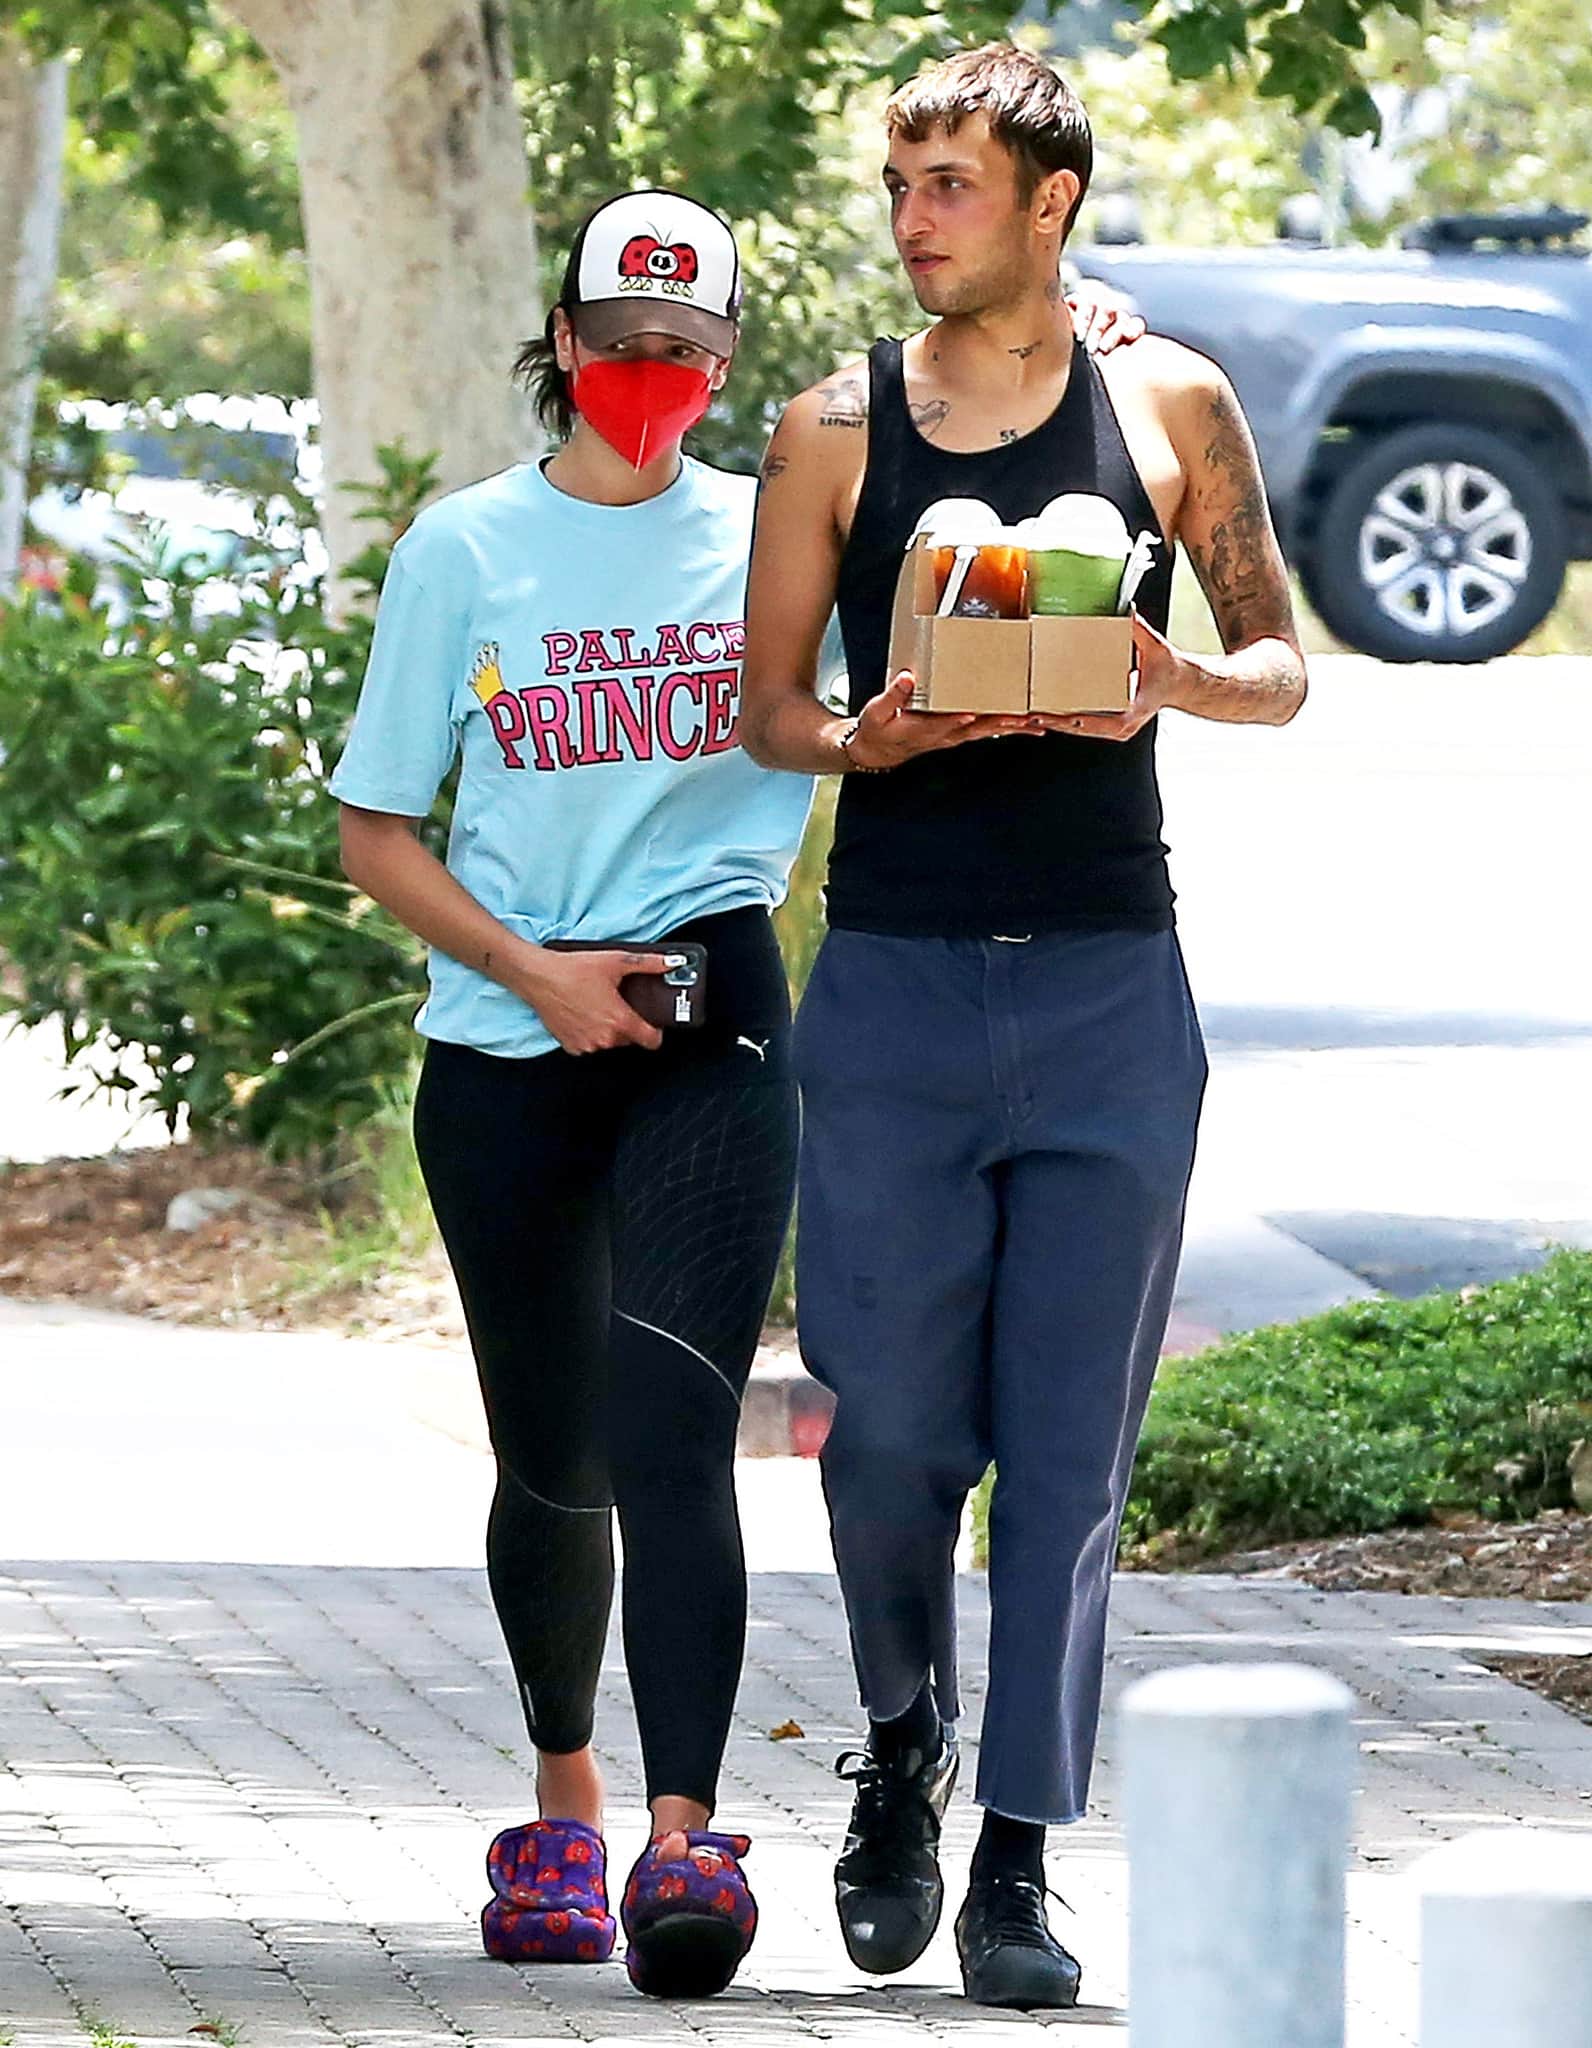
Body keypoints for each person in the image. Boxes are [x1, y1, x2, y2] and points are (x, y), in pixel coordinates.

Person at [740, 42, 1307, 2014]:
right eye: (897, 186)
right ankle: (904, 1746)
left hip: (1103, 993)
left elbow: (1279, 665)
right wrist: (865, 736)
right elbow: (770, 713)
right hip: (889, 987)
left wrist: (1159, 676)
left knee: (1071, 1456)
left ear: (1051, 203)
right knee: (882, 1431)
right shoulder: (827, 430)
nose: (910, 222)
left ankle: (1013, 1858)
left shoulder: (1169, 405)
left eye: (948, 187)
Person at [329, 189, 812, 2000]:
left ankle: (687, 1846)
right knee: (556, 1456)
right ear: (563, 339)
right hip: (509, 1048)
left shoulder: (776, 541)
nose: (651, 378)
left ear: (725, 361)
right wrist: (536, 976)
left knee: (681, 1430)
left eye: (686, 353)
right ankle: (563, 1799)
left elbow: (897, 680)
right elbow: (379, 826)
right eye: (623, 345)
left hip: (708, 1027)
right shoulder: (465, 551)